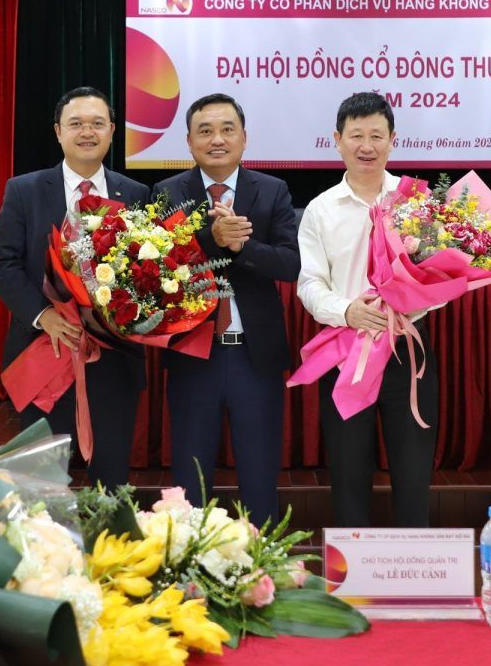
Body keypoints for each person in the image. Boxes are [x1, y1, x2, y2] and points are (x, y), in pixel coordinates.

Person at [0, 87, 149, 489]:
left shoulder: (135, 194)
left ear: (112, 131)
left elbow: (146, 271)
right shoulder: (24, 190)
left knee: (111, 481)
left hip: (113, 359)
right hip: (46, 350)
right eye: (76, 124)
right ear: (58, 131)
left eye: (97, 123)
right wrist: (43, 316)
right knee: (40, 481)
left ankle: (110, 533)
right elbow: (3, 265)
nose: (87, 132)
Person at [155, 94, 300, 527]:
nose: (217, 139)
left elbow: (290, 265)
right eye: (205, 131)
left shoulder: (271, 190)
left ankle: (261, 561)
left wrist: (241, 247)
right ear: (189, 141)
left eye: (227, 129)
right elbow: (158, 271)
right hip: (193, 357)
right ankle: (189, 563)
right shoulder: (166, 193)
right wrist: (211, 239)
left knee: (259, 477)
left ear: (244, 138)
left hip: (254, 358)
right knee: (190, 481)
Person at [296, 91, 438, 527]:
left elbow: (445, 279)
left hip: (407, 351)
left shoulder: (417, 202)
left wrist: (413, 300)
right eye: (356, 135)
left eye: (377, 135)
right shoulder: (320, 210)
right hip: (347, 352)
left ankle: (417, 566)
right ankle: (350, 568)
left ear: (393, 140)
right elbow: (309, 284)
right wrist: (347, 311)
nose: (366, 146)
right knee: (348, 476)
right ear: (337, 140)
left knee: (414, 478)